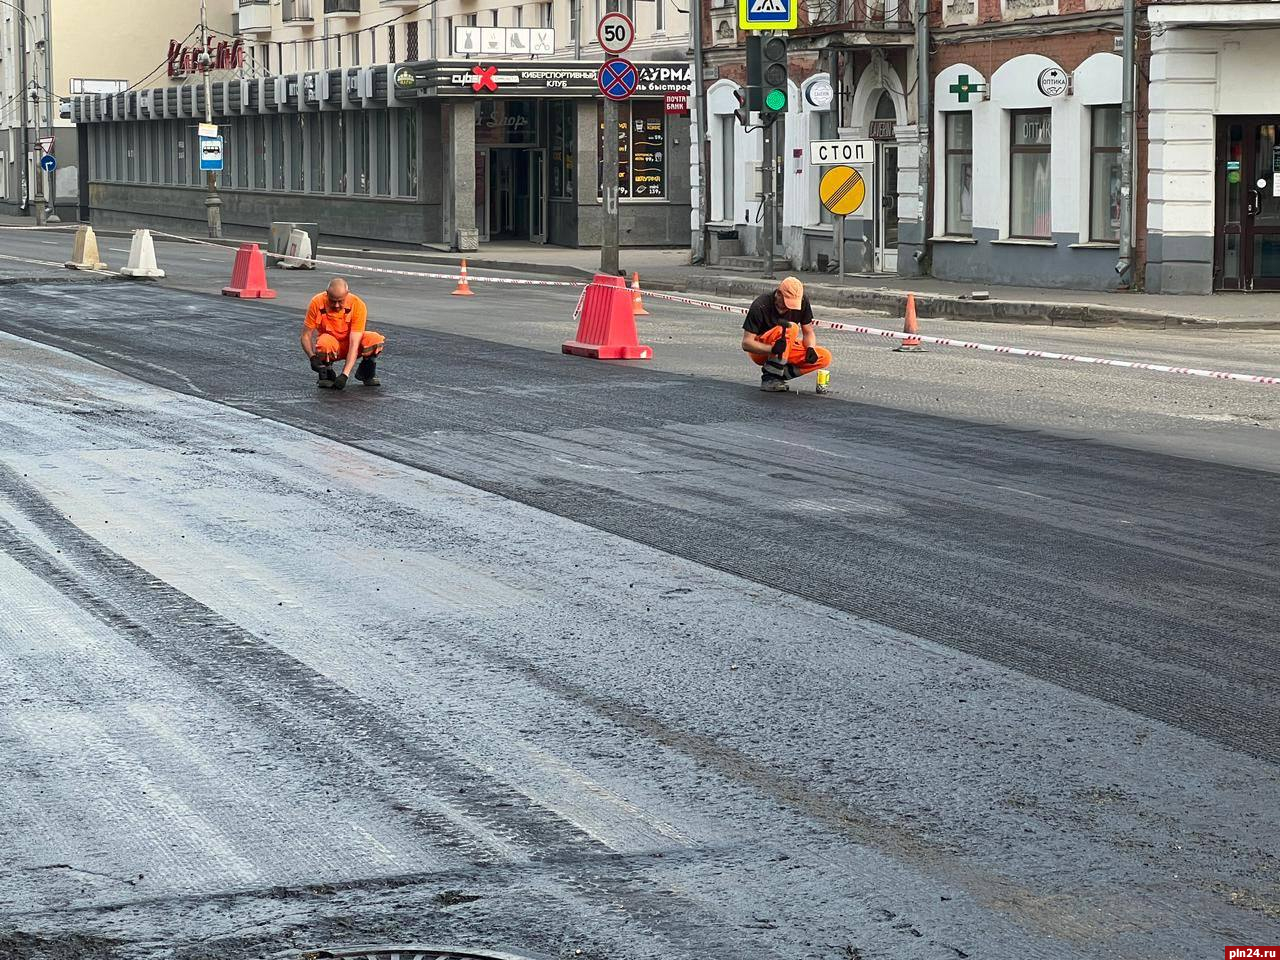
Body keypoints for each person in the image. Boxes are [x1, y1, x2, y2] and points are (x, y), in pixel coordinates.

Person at [740, 277, 831, 392]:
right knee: (791, 327)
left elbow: (808, 332)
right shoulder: (760, 305)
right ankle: (770, 378)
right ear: (778, 293)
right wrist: (772, 349)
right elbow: (746, 343)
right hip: (761, 351)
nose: (787, 308)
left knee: (824, 357)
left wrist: (810, 348)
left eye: (791, 305)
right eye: (785, 302)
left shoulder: (803, 302)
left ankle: (778, 376)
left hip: (784, 350)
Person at [300, 278, 386, 390]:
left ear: (347, 294)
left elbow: (354, 343)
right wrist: (312, 357)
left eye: (340, 301)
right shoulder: (317, 302)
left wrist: (345, 375)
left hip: (351, 344)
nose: (336, 305)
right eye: (332, 301)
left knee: (375, 340)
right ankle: (327, 373)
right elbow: (305, 335)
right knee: (324, 343)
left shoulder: (358, 305)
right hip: (332, 346)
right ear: (326, 294)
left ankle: (366, 373)